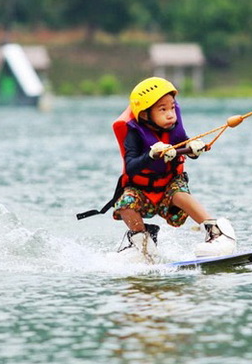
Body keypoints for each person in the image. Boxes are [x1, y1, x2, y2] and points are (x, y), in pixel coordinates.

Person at [77, 77, 236, 262]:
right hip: (141, 189)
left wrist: (194, 149)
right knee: (124, 203)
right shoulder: (134, 133)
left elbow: (183, 143)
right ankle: (142, 243)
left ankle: (217, 233)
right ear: (145, 115)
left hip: (170, 183)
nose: (171, 114)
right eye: (163, 109)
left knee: (180, 193)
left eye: (172, 107)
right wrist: (151, 155)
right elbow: (131, 166)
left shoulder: (174, 128)